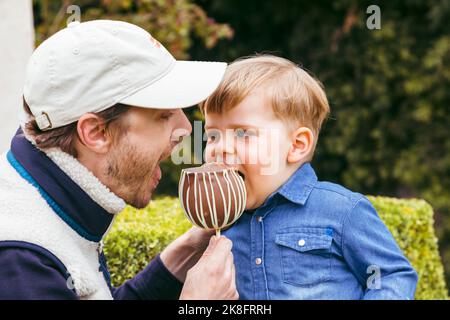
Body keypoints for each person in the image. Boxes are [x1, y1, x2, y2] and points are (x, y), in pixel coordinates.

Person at [0, 19, 238, 300]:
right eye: (163, 115)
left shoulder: (50, 201)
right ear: (96, 132)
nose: (186, 128)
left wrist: (171, 267)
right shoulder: (20, 262)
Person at [200, 54, 418, 299]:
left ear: (296, 145)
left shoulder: (341, 210)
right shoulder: (220, 225)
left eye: (242, 133)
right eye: (213, 136)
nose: (220, 148)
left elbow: (392, 275)